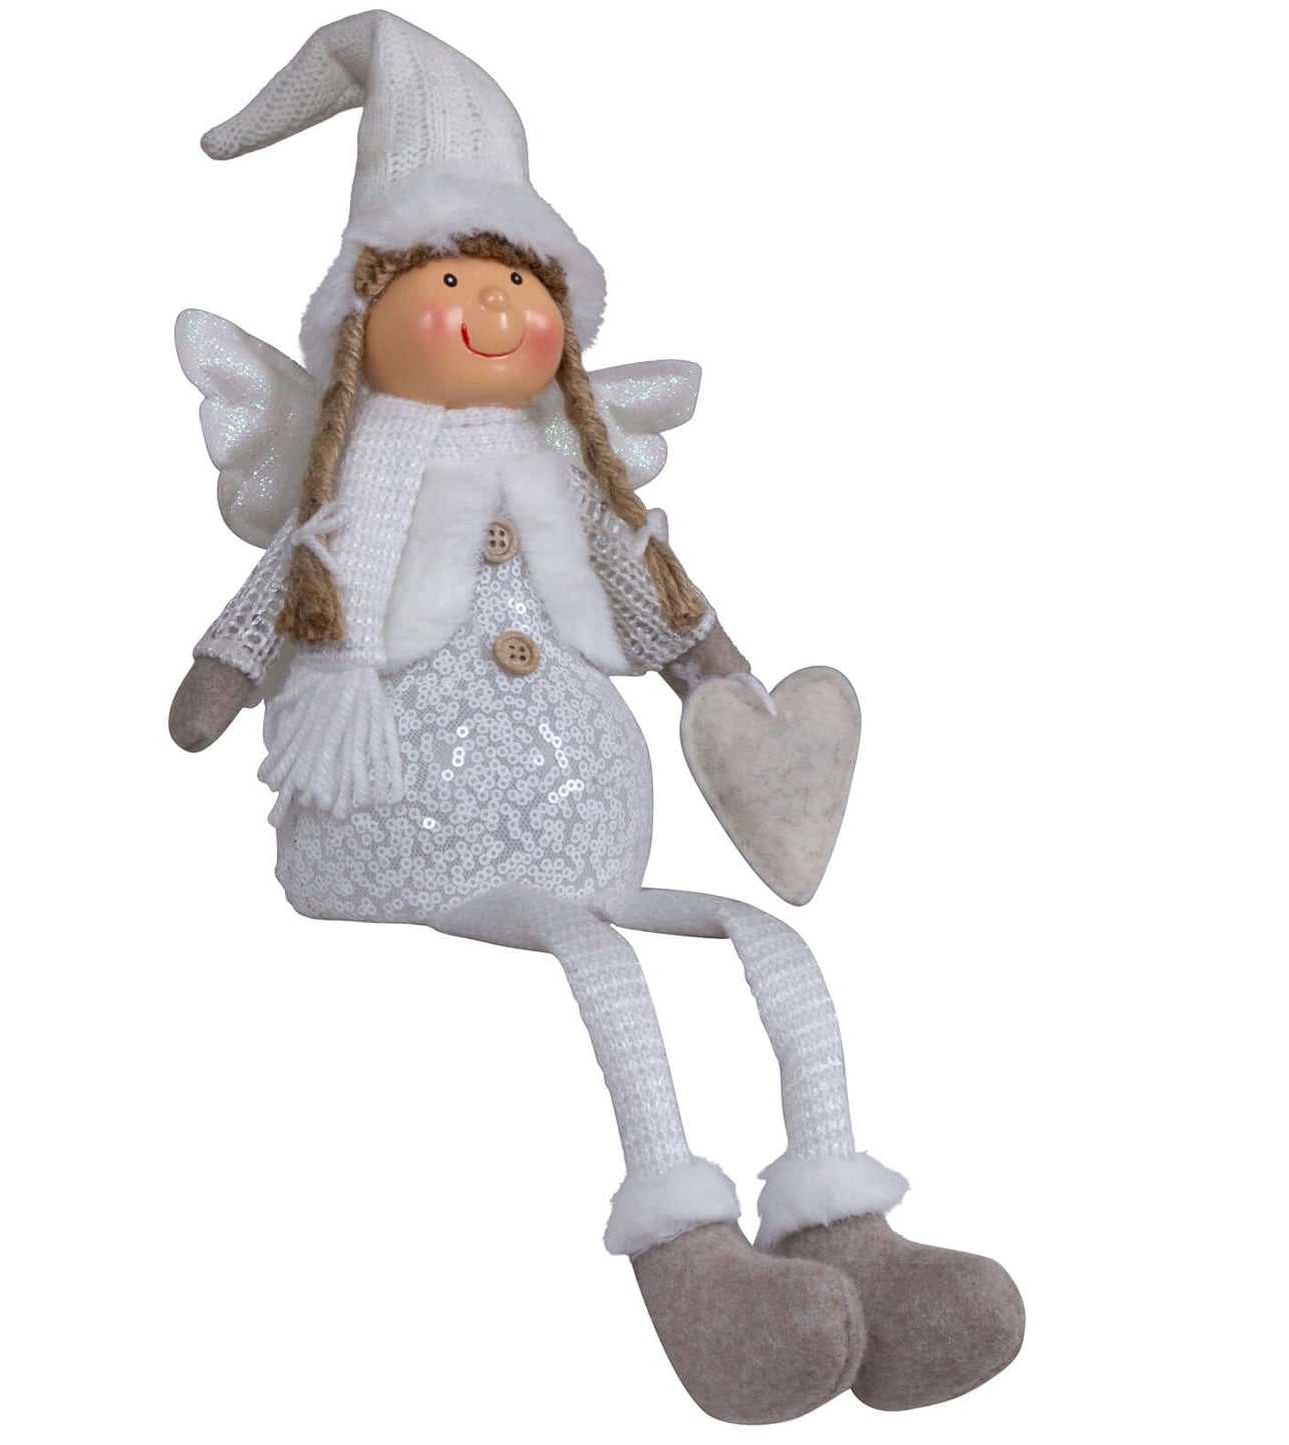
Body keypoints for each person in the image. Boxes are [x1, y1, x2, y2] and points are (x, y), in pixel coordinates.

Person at [169, 11, 1023, 1424]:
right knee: (600, 962)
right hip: (411, 842)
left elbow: (660, 605)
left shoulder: (573, 492)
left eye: (520, 281)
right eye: (454, 278)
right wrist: (214, 684)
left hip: (588, 837)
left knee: (769, 937)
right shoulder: (346, 505)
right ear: (368, 316)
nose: (495, 308)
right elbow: (272, 604)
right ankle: (686, 1250)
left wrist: (729, 687)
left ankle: (846, 1221)